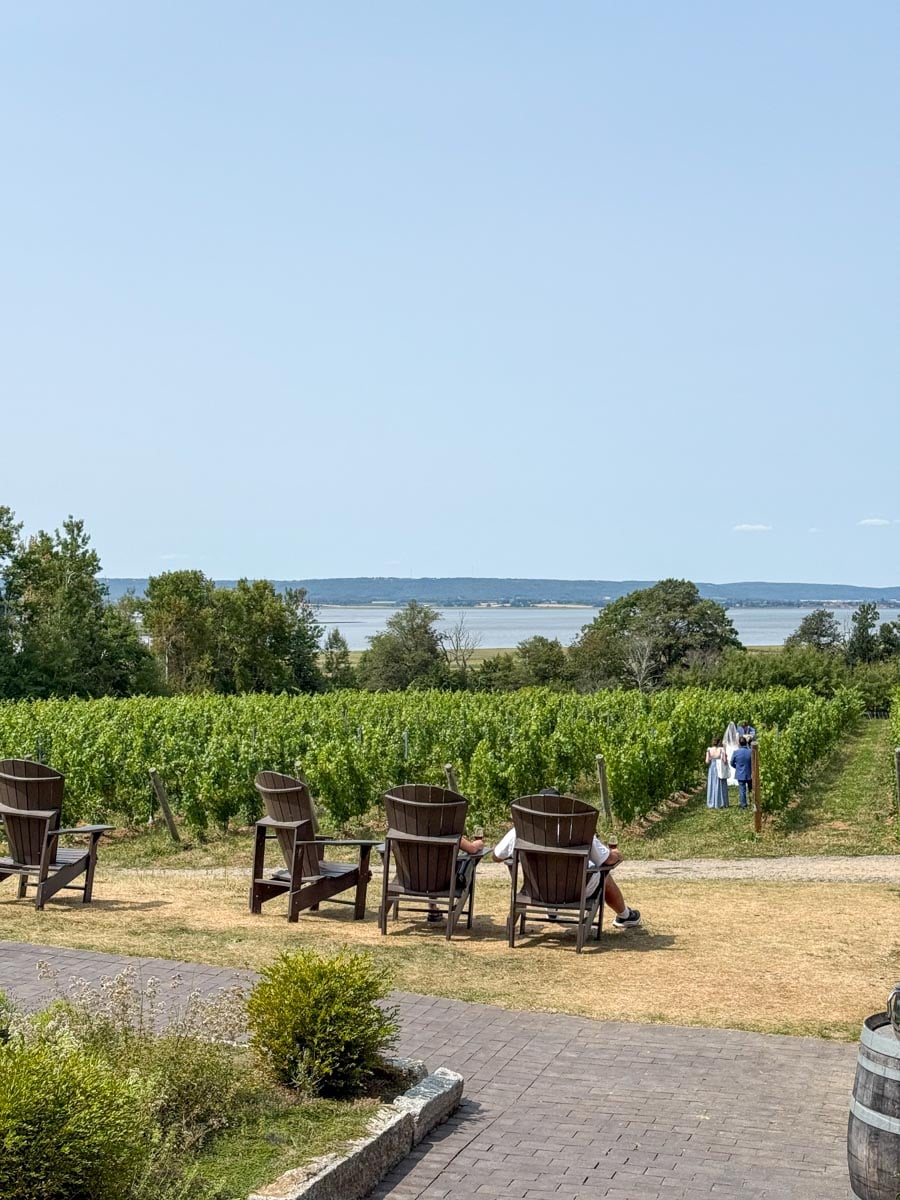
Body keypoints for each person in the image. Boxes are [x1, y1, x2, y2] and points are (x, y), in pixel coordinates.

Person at [492, 789, 641, 928]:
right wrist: (615, 852)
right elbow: (607, 860)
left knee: (551, 875)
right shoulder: (577, 829)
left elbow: (496, 856)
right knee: (604, 876)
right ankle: (625, 916)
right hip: (574, 891)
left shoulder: (521, 830)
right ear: (560, 807)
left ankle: (551, 910)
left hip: (537, 890)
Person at [427, 830, 485, 922]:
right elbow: (472, 849)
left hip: (412, 879)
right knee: (469, 862)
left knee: (431, 866)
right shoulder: (444, 828)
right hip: (445, 882)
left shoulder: (407, 830)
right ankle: (450, 915)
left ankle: (432, 907)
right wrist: (479, 843)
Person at [730, 736, 753, 809]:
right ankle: (753, 803)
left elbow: (731, 762)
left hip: (740, 773)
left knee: (742, 790)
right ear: (746, 743)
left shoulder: (736, 752)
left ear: (739, 743)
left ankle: (744, 805)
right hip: (750, 773)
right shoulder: (750, 752)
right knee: (751, 789)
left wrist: (737, 767)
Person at [705, 738, 729, 809]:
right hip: (719, 767)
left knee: (712, 783)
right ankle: (721, 802)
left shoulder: (709, 750)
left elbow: (707, 761)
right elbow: (724, 760)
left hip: (712, 768)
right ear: (718, 743)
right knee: (721, 784)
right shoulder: (721, 749)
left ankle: (712, 802)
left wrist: (710, 759)